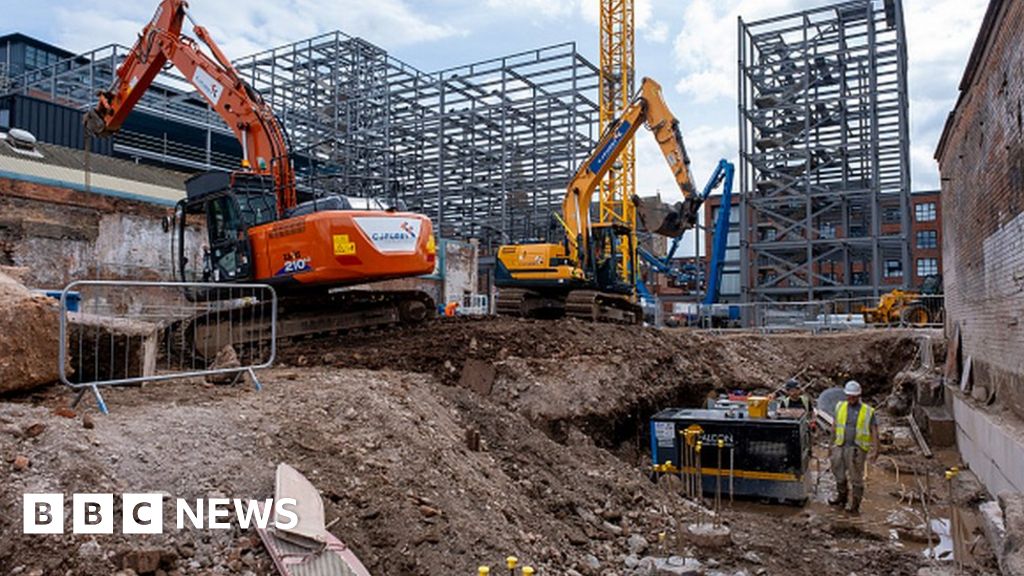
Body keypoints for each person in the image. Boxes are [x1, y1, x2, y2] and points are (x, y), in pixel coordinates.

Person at [829, 380, 879, 514]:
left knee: (856, 477)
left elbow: (874, 430)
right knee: (838, 473)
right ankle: (841, 498)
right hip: (840, 445)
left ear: (858, 396)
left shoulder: (868, 411)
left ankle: (855, 505)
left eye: (853, 396)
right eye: (848, 396)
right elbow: (834, 426)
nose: (850, 398)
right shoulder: (840, 407)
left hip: (856, 449)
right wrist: (830, 445)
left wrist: (876, 449)